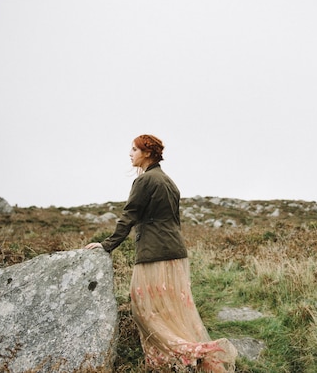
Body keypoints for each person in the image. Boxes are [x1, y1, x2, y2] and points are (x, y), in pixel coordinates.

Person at [85, 134, 237, 372]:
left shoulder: (145, 181)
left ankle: (189, 353)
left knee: (144, 310)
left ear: (147, 153)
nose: (130, 153)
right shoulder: (169, 181)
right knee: (172, 310)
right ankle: (180, 359)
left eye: (134, 149)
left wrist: (107, 245)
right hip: (176, 252)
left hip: (153, 253)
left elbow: (130, 215)